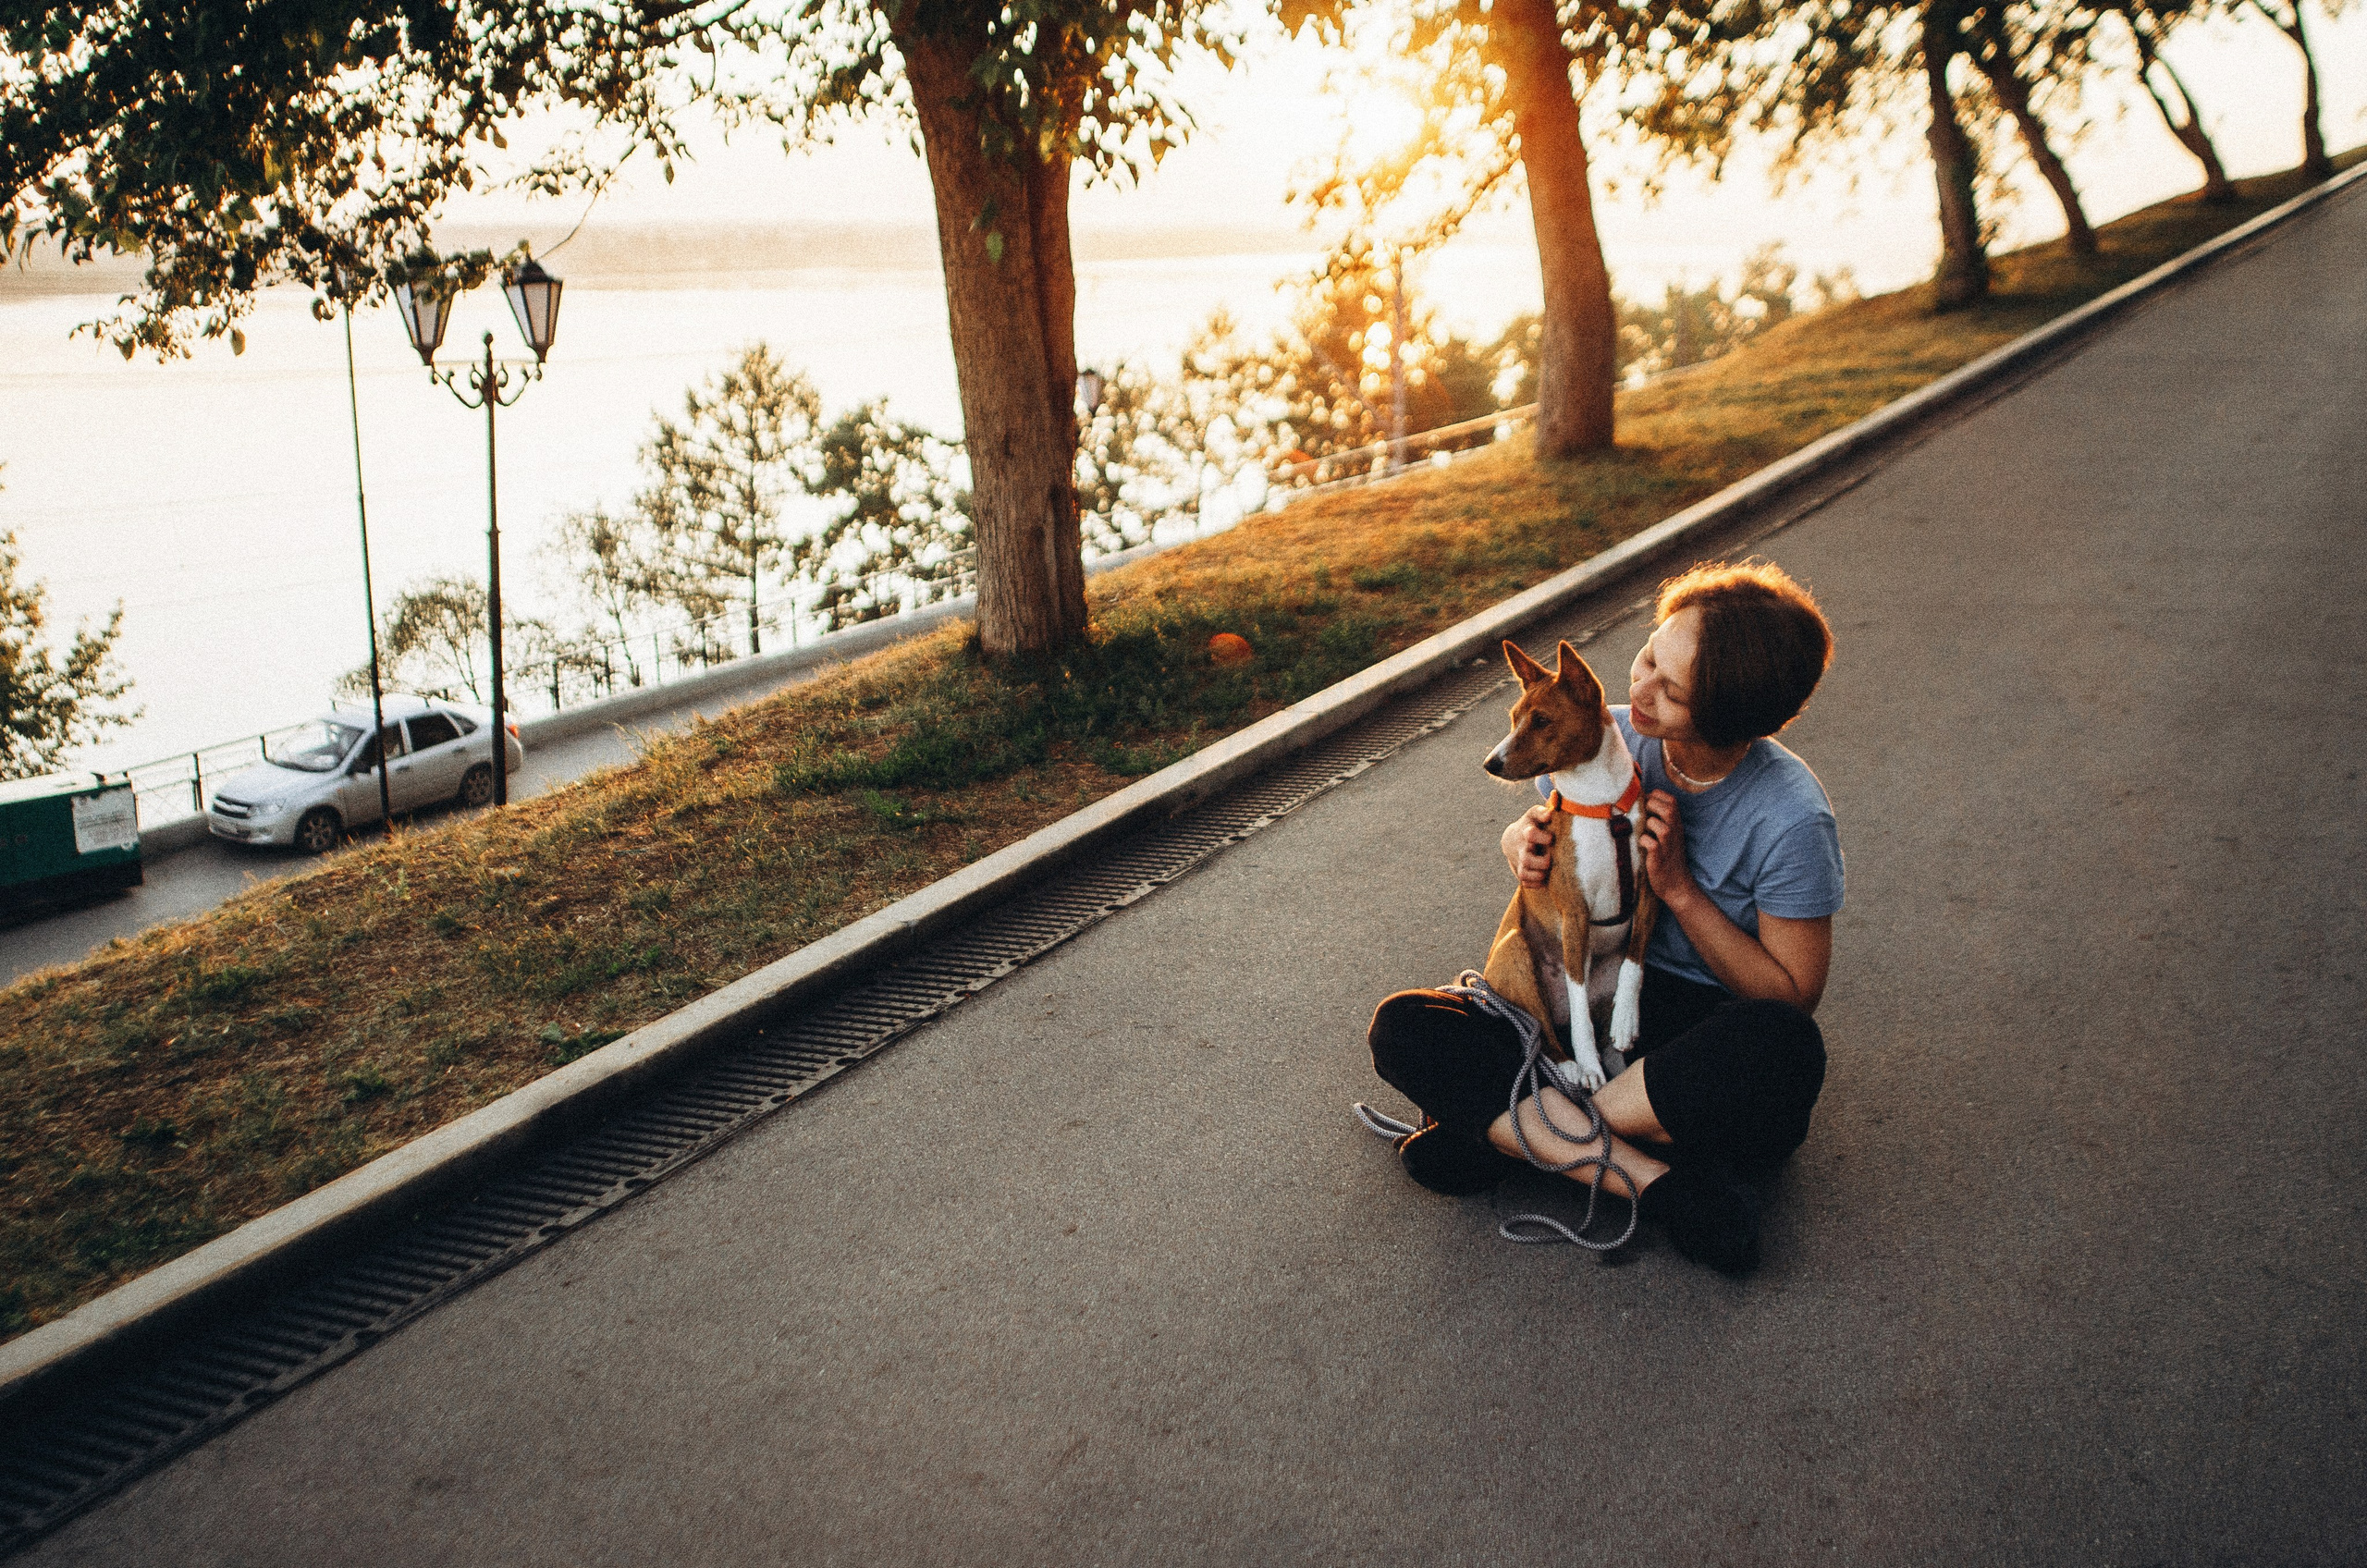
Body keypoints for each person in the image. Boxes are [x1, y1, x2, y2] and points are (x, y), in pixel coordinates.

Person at [1367, 560, 1842, 1276]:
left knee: (1782, 1049)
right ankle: (1657, 1183)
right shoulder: (1606, 733)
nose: (1638, 689)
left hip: (1695, 1025)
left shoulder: (1790, 816)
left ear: (1724, 717)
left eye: (1670, 689)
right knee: (1405, 1026)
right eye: (1649, 655)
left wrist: (1679, 889)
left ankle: (1510, 1135)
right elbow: (1538, 824)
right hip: (1585, 995)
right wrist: (1518, 843)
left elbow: (1792, 994)